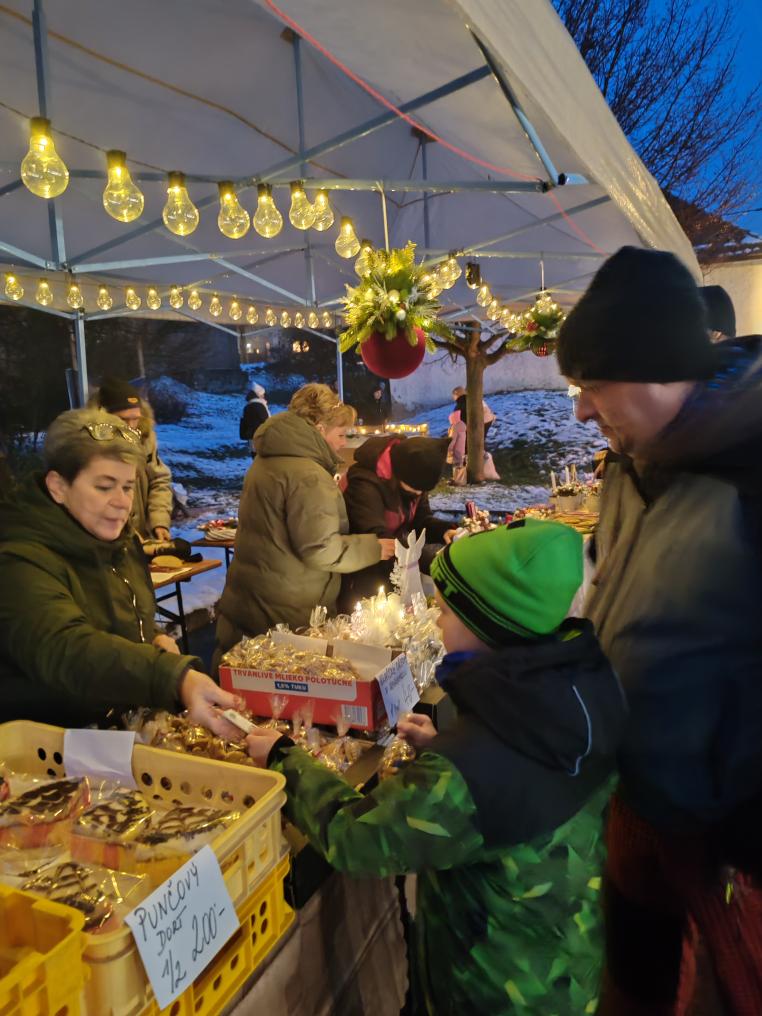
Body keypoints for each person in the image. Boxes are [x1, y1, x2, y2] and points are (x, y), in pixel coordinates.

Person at [245, 520, 626, 1014]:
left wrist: (284, 759)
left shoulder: (465, 774)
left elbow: (357, 838)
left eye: (445, 610)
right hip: (569, 959)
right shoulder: (587, 685)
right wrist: (450, 745)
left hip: (496, 992)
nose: (436, 623)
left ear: (487, 624)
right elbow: (519, 775)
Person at [557, 244, 762, 1015]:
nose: (581, 410)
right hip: (640, 807)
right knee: (635, 992)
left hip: (732, 839)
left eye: (592, 385)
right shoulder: (628, 467)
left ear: (654, 368)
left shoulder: (749, 472)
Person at [0, 407, 241, 732]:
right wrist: (170, 676)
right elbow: (67, 648)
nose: (122, 502)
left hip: (117, 730)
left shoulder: (119, 542)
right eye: (104, 486)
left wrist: (151, 638)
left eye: (128, 487)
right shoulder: (18, 560)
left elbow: (120, 615)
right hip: (51, 745)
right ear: (58, 486)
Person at [214, 384, 395, 660]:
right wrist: (374, 548)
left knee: (241, 671)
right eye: (341, 434)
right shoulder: (308, 475)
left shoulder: (268, 460)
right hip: (286, 611)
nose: (343, 443)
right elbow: (320, 549)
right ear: (320, 429)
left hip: (253, 600)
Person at [340, 435, 455, 604]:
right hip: (359, 572)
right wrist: (434, 564)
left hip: (392, 568)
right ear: (401, 473)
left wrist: (443, 531)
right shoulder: (364, 483)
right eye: (416, 488)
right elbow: (378, 539)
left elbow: (421, 519)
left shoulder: (413, 479)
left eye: (423, 490)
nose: (419, 493)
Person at [91, 377, 172, 540]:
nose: (131, 427)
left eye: (135, 419)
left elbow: (159, 480)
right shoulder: (89, 447)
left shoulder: (145, 438)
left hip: (144, 539)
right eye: (123, 419)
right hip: (107, 541)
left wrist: (159, 522)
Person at [239, 384, 270, 457]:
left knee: (255, 457)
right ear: (258, 395)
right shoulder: (259, 406)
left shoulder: (247, 406)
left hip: (251, 438)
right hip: (261, 438)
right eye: (262, 394)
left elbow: (245, 423)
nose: (264, 396)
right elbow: (267, 422)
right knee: (263, 459)